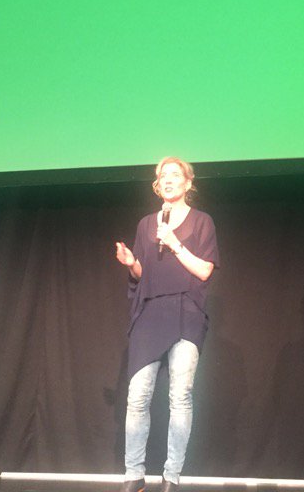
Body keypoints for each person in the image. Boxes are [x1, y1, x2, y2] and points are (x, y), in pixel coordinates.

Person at [114, 157, 219, 492]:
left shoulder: (202, 222)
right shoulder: (147, 224)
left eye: (175, 175)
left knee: (180, 396)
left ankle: (171, 476)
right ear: (157, 185)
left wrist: (174, 243)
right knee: (137, 396)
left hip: (186, 312)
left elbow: (204, 270)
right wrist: (132, 263)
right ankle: (134, 474)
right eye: (163, 176)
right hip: (151, 312)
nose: (169, 180)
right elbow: (144, 274)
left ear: (188, 183)